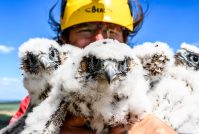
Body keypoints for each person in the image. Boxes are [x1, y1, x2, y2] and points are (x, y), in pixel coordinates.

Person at [10, 0, 176, 133]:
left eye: (112, 31)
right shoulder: (40, 99)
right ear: (65, 40)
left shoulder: (164, 93)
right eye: (85, 29)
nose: (98, 40)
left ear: (125, 39)